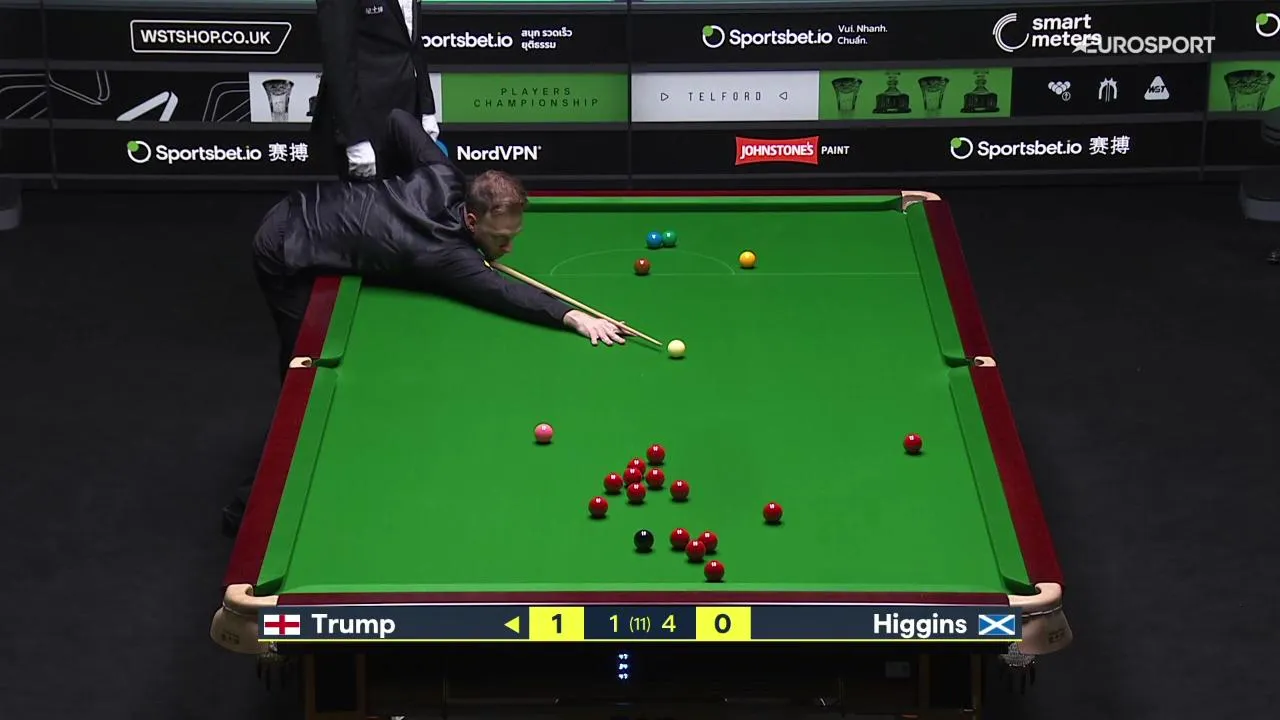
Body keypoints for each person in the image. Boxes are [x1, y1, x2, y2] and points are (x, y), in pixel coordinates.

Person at [222, 108, 628, 535]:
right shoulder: (445, 256)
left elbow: (398, 119)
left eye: (514, 236)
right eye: (499, 238)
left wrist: (388, 195)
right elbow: (505, 294)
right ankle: (246, 509)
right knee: (303, 384)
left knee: (300, 379)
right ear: (471, 219)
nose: (508, 248)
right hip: (285, 249)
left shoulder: (443, 173)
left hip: (303, 207)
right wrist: (571, 314)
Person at [313, 0, 438, 179]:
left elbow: (412, 44)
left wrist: (426, 109)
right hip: (366, 125)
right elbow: (338, 59)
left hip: (407, 120)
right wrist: (355, 139)